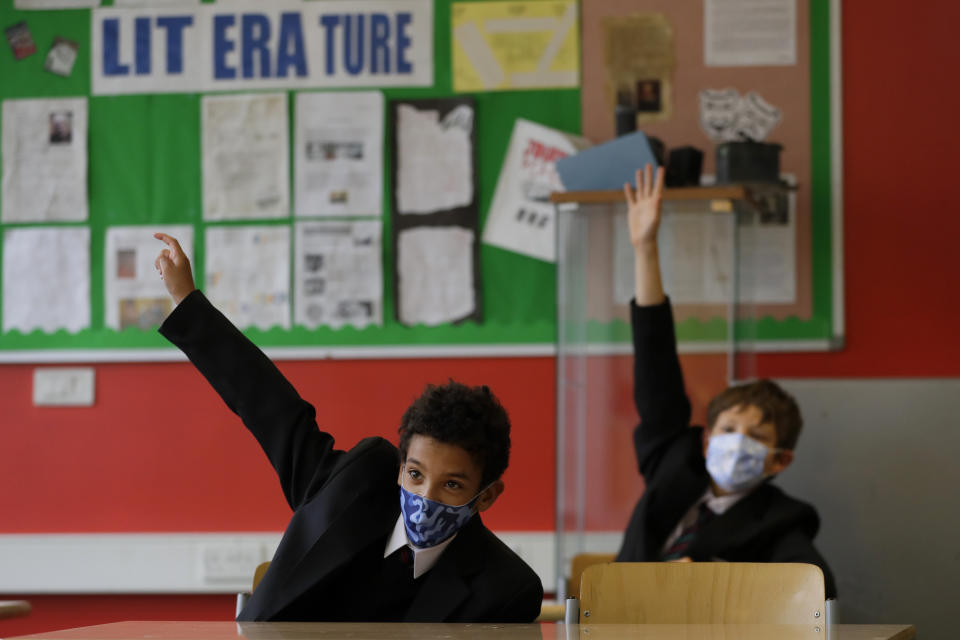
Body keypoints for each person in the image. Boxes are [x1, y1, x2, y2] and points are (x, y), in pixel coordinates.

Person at [152, 233, 543, 622]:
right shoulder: (356, 485)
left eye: (452, 485)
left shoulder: (506, 589)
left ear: (487, 495)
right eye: (415, 474)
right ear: (400, 467)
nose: (426, 497)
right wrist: (188, 302)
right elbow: (269, 407)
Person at [616, 166, 837, 598]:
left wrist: (718, 582)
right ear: (706, 439)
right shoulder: (673, 464)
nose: (737, 443)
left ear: (780, 461)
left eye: (756, 436)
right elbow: (656, 369)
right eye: (729, 430)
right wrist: (645, 251)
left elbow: (817, 589)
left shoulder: (780, 519)